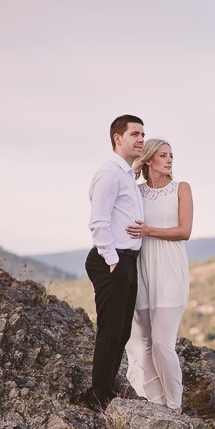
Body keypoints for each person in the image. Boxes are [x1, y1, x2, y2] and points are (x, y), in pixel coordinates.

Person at [124, 138, 193, 412]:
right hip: (142, 270)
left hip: (170, 271)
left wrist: (149, 230)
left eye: (171, 155)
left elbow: (184, 231)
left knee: (163, 341)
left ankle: (175, 406)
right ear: (150, 159)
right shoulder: (136, 191)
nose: (169, 160)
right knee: (143, 342)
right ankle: (156, 403)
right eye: (163, 155)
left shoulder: (181, 189)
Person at [85, 114, 145, 411]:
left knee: (121, 331)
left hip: (127, 260)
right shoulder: (110, 172)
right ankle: (98, 396)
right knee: (111, 329)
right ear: (117, 138)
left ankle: (104, 387)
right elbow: (98, 221)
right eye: (134, 134)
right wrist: (112, 261)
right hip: (113, 259)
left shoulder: (128, 176)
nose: (140, 139)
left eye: (142, 135)